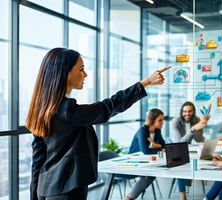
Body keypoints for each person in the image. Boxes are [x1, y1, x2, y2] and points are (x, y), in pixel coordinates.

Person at [26, 47, 170, 200]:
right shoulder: (68, 110)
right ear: (65, 73)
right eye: (81, 69)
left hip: (45, 188)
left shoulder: (42, 109)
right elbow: (109, 106)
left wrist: (34, 195)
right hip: (67, 189)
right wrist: (145, 83)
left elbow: (38, 159)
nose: (85, 74)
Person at [170, 101, 210, 200]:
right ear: (181, 112)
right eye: (185, 111)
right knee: (179, 163)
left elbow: (199, 139)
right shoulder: (176, 122)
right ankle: (182, 195)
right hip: (177, 151)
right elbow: (179, 143)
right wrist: (192, 129)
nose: (187, 114)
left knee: (204, 158)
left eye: (189, 111)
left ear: (193, 111)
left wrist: (200, 125)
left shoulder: (196, 120)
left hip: (191, 150)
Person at [125, 108, 166, 200]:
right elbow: (145, 151)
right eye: (160, 120)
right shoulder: (143, 131)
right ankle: (129, 198)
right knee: (150, 174)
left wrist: (156, 145)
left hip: (146, 160)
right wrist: (159, 148)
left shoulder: (157, 131)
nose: (162, 122)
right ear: (152, 120)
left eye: (162, 120)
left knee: (151, 174)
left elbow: (164, 145)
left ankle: (130, 197)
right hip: (134, 160)